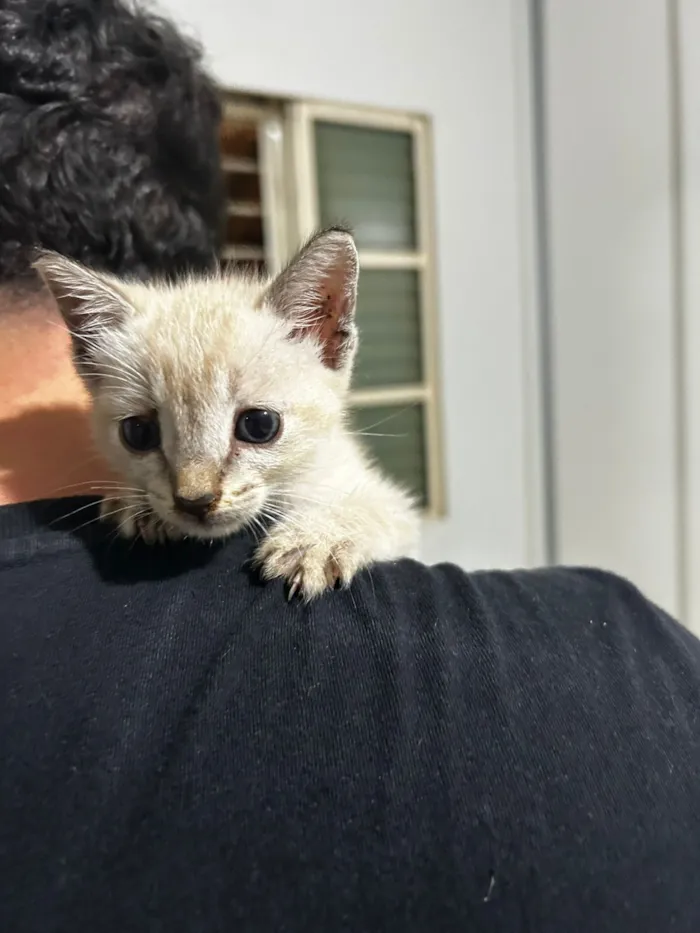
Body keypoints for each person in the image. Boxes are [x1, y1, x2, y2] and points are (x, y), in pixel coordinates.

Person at [1, 2, 700, 931]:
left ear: (325, 335)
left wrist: (330, 529)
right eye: (145, 438)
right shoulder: (632, 665)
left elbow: (379, 513)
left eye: (253, 424)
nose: (196, 487)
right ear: (91, 366)